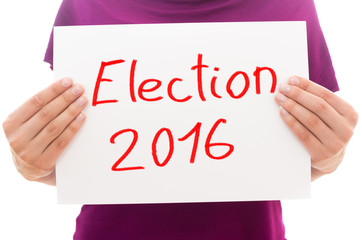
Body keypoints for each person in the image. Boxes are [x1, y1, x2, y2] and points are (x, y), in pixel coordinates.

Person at [2, 0, 358, 239]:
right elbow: (88, 162)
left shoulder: (289, 5)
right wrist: (34, 167)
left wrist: (327, 160)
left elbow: (282, 162)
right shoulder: (86, 3)